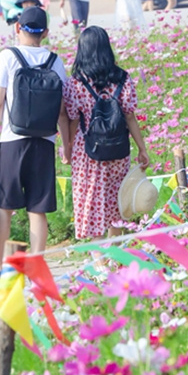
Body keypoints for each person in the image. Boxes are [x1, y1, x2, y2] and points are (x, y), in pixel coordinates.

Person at [0, 6, 70, 285]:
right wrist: (66, 145)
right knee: (37, 209)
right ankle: (36, 272)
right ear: (45, 32)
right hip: (44, 141)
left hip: (11, 140)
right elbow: (62, 110)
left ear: (18, 28)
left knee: (5, 207)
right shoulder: (55, 61)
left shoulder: (8, 56)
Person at [63, 25, 150, 240]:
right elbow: (130, 116)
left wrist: (68, 149)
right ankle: (114, 258)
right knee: (116, 203)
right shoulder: (122, 78)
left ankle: (99, 264)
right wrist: (142, 148)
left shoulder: (76, 83)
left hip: (88, 153)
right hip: (118, 149)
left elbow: (73, 119)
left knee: (91, 205)